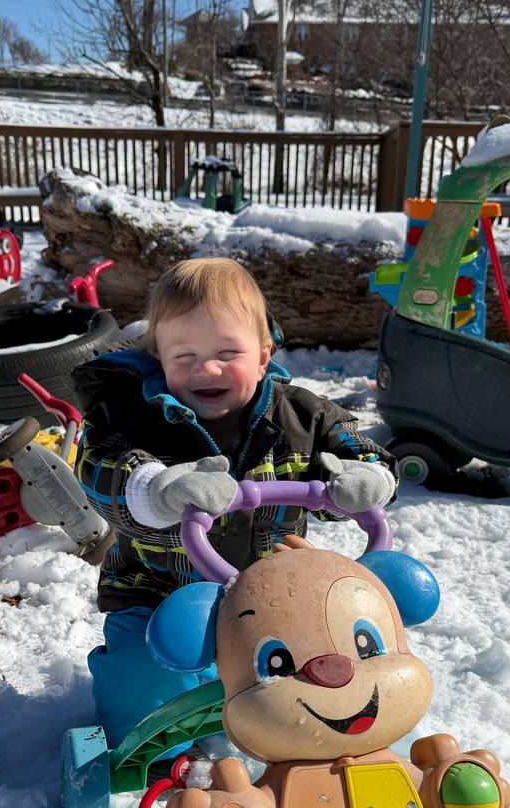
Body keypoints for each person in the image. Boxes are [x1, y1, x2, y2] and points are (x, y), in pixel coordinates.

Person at [73, 257, 397, 749]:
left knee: (312, 680)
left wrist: (365, 478)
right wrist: (155, 489)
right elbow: (99, 467)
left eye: (229, 351)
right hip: (157, 589)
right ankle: (151, 745)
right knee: (145, 686)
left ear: (264, 355)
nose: (207, 368)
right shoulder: (133, 414)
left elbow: (357, 446)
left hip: (276, 601)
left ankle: (311, 730)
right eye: (184, 356)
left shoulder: (301, 416)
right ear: (159, 357)